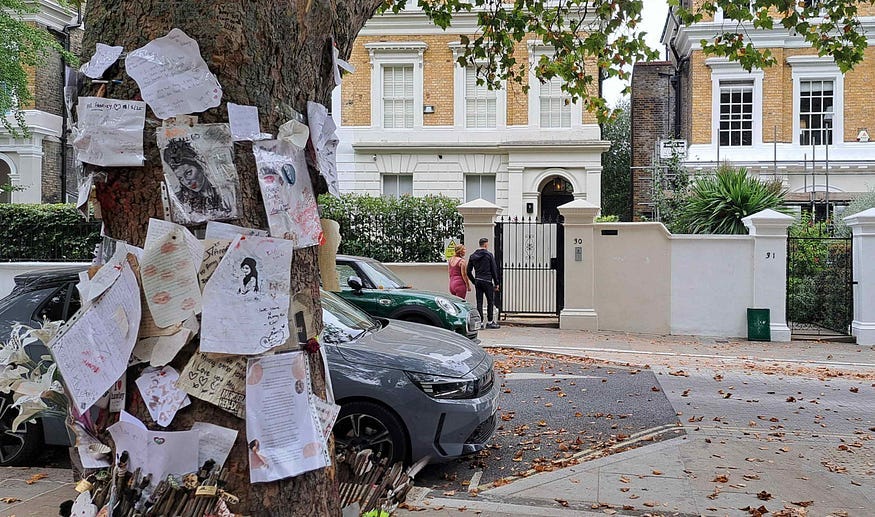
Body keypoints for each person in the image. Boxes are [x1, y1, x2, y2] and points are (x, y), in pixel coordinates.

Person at [163, 138, 232, 218]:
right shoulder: (183, 201)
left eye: (188, 173)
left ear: (200, 166)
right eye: (180, 178)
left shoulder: (225, 192)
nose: (187, 182)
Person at [466, 238, 501, 329]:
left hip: (478, 281)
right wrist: (496, 283)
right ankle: (490, 322)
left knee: (479, 302)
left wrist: (474, 281)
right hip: (487, 281)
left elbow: (468, 271)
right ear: (485, 245)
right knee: (490, 301)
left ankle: (480, 323)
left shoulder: (472, 256)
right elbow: (493, 270)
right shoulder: (489, 255)